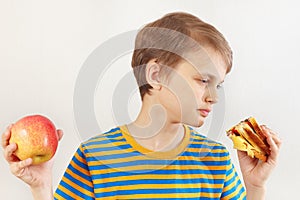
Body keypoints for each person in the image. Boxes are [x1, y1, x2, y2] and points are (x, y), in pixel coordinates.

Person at [2, 12, 281, 200]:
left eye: (217, 85)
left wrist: (255, 188)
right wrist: (41, 187)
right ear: (156, 75)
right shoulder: (94, 157)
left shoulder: (216, 160)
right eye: (203, 80)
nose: (214, 97)